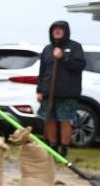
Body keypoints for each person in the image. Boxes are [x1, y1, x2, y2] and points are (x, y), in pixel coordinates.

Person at [36, 21, 86, 157]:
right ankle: (52, 146)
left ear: (66, 31)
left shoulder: (75, 47)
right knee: (49, 119)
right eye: (54, 29)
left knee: (65, 119)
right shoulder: (47, 49)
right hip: (48, 91)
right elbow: (42, 71)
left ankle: (64, 148)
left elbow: (79, 66)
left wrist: (63, 57)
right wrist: (39, 90)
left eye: (60, 29)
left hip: (67, 92)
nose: (57, 31)